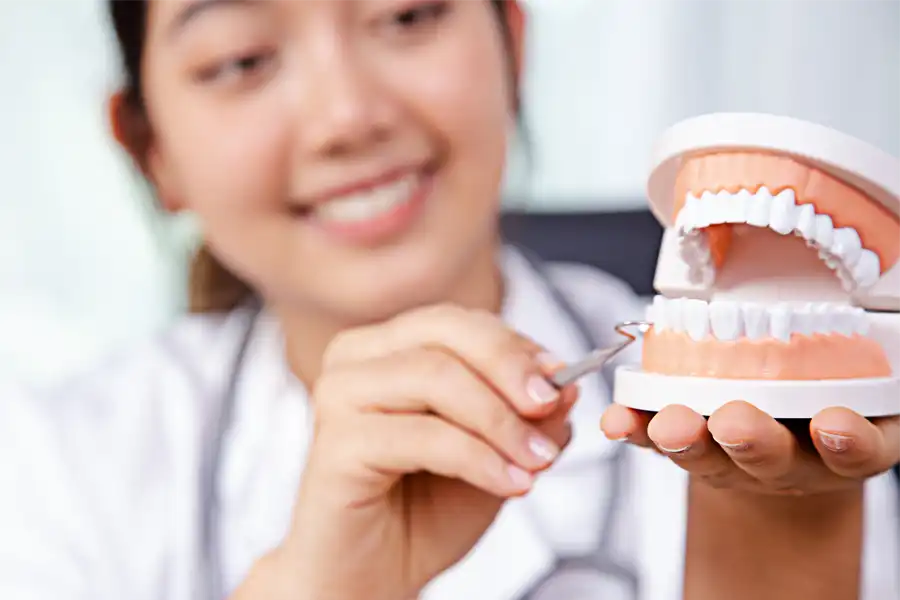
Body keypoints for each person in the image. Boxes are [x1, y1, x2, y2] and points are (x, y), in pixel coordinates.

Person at [2, 0, 900, 598]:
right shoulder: (58, 472)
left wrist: (787, 531)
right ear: (149, 149)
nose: (348, 115)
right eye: (242, 61)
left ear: (512, 39)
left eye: (408, 13)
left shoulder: (768, 416)